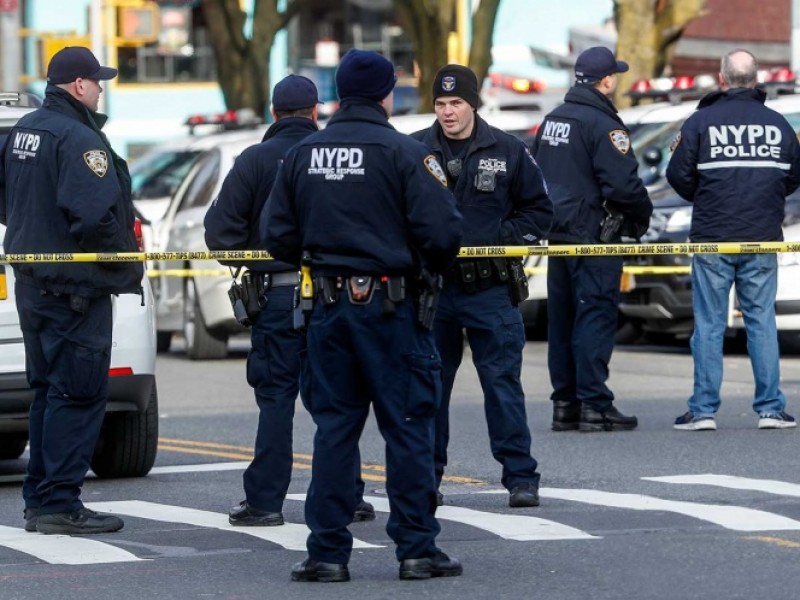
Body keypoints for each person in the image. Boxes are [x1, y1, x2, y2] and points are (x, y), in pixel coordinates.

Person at [262, 49, 464, 582]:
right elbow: (444, 233)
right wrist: (417, 267)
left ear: (338, 94)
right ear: (385, 94)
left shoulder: (304, 153)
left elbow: (274, 235)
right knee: (408, 428)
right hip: (393, 309)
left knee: (334, 430)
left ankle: (327, 553)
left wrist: (322, 254)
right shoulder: (404, 153)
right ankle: (417, 549)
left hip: (328, 309)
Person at [204, 74, 375, 526]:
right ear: (316, 111)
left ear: (274, 113)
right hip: (334, 294)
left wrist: (254, 253)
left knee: (276, 399)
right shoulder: (335, 157)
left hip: (277, 297)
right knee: (336, 400)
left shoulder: (255, 160)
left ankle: (264, 502)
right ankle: (348, 495)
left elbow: (219, 234)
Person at [0, 46, 143, 534]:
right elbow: (94, 218)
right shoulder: (81, 139)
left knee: (48, 391)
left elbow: (10, 202)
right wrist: (121, 261)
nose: (101, 89)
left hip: (35, 285)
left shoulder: (25, 131)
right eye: (98, 81)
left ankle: (41, 500)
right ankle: (60, 501)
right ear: (79, 85)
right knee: (78, 394)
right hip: (75, 289)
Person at [411, 64, 552, 508]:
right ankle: (426, 479)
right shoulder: (414, 150)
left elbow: (539, 212)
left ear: (473, 103)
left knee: (502, 384)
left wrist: (498, 241)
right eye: (441, 103)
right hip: (433, 291)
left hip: (489, 288)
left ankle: (520, 476)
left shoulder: (507, 150)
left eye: (456, 103)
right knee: (430, 387)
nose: (448, 112)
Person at [667, 49, 800, 431]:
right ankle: (771, 409)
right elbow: (793, 177)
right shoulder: (778, 124)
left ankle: (703, 410)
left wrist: (706, 197)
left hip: (712, 236)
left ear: (722, 80)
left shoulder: (701, 122)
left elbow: (677, 174)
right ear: (756, 80)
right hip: (762, 237)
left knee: (709, 324)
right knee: (762, 321)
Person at [533, 46, 652, 433]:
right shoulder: (604, 125)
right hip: (595, 234)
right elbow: (623, 185)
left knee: (563, 318)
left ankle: (565, 403)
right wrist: (641, 216)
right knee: (594, 315)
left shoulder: (554, 119)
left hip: (559, 235)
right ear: (606, 81)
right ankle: (594, 404)